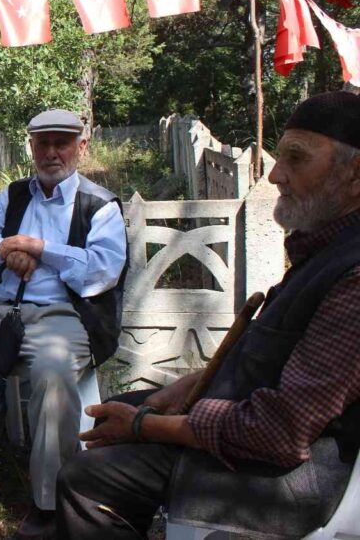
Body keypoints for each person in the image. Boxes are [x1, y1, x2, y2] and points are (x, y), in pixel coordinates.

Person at [56, 91, 360, 539]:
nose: (275, 174)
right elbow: (275, 363)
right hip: (251, 427)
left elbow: (282, 431)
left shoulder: (353, 276)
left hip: (289, 475)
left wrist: (147, 426)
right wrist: (190, 385)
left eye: (296, 159)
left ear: (355, 174)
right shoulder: (324, 251)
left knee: (85, 478)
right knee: (109, 420)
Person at [0, 109, 128, 538]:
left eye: (62, 142)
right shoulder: (12, 196)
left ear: (80, 147)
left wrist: (39, 247)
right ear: (30, 146)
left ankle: (48, 503)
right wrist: (5, 251)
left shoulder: (99, 205)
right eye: (43, 143)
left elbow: (102, 271)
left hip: (62, 317)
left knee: (52, 378)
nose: (52, 152)